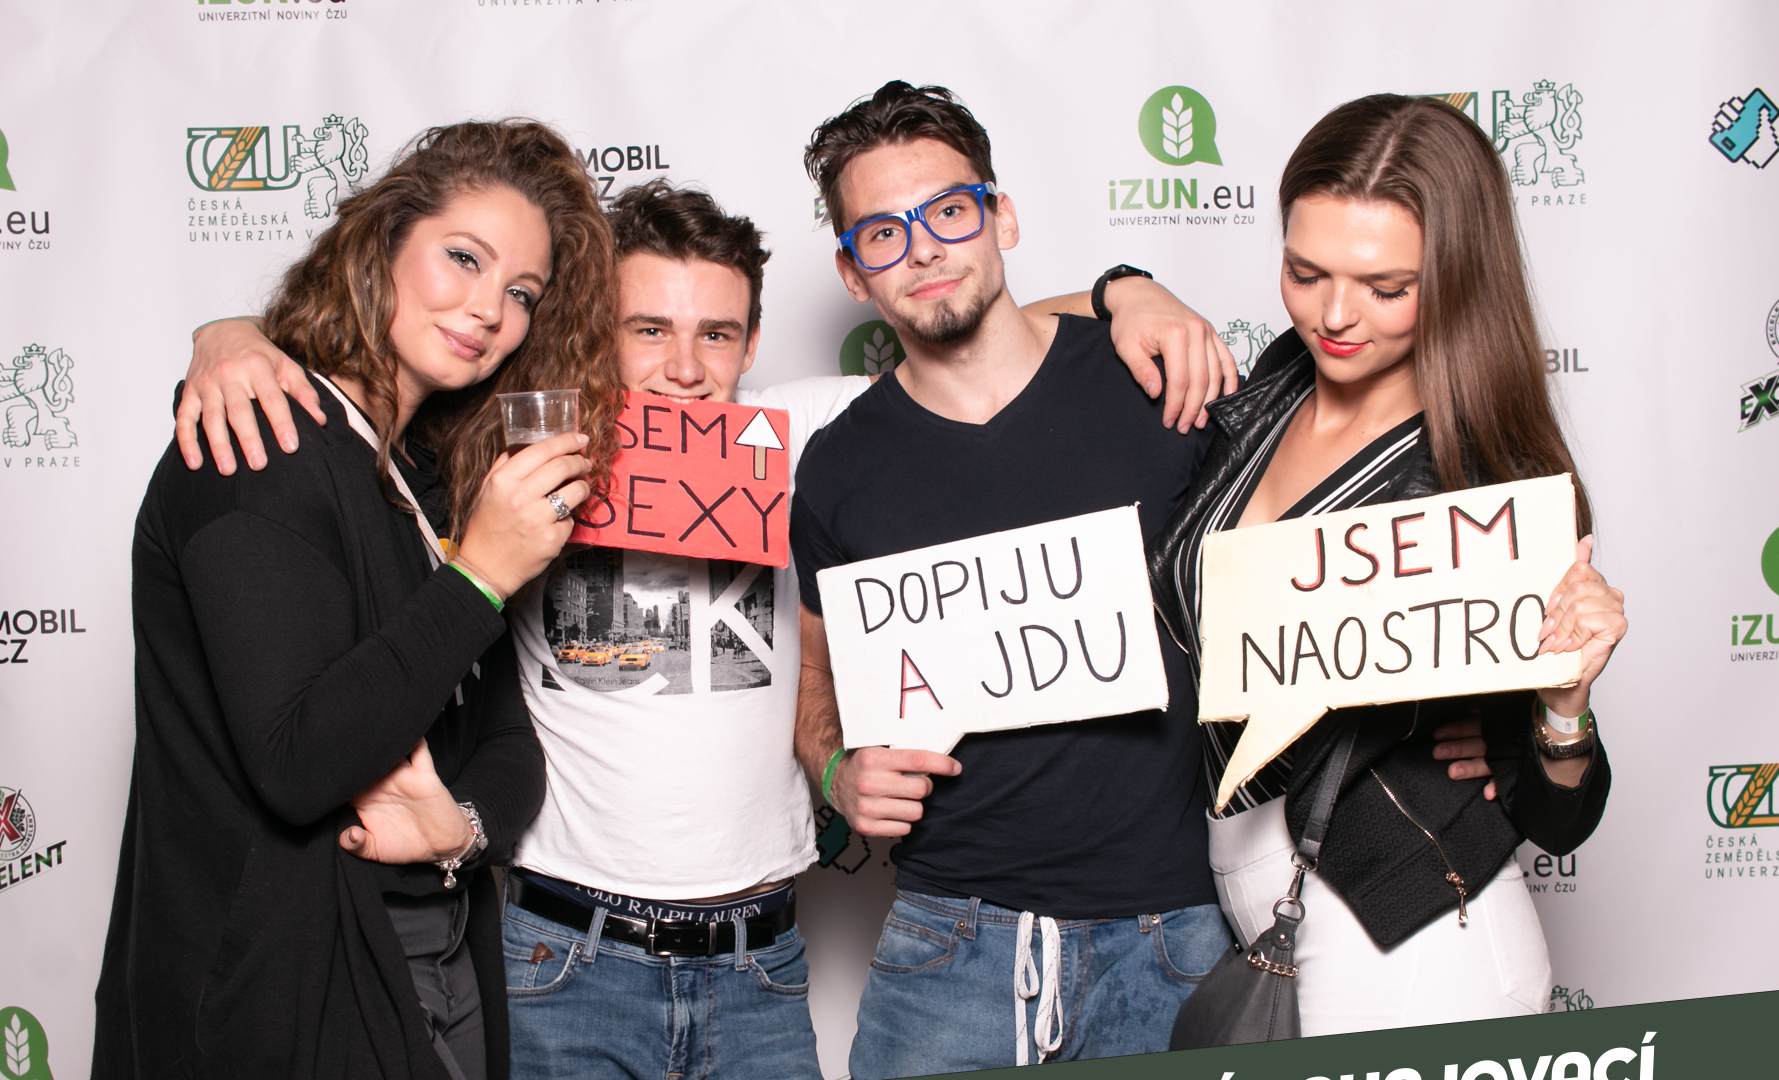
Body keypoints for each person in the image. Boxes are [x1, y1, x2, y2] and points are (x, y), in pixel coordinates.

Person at [169, 173, 1233, 1078]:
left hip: (760, 968)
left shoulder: (810, 432)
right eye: (649, 330)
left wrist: (1124, 291)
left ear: (752, 340)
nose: (685, 367)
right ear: (593, 330)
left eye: (716, 334)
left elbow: (974, 334)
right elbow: (376, 374)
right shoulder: (519, 449)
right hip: (562, 961)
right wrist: (230, 339)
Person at [92, 120, 614, 1080]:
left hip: (435, 958)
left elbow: (505, 742)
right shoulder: (260, 443)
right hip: (283, 991)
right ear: (382, 241)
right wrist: (480, 576)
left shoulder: (428, 479)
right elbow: (298, 761)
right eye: (464, 258)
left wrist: (461, 827)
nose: (488, 310)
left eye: (522, 293)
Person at [788, 81, 1241, 1077]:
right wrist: (834, 770)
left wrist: (1127, 288)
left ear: (1001, 217)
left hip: (1174, 931)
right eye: (883, 234)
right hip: (951, 941)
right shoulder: (838, 467)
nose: (923, 250)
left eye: (949, 212)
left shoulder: (1150, 379)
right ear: (853, 273)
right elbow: (812, 677)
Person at [1150, 94, 1625, 1035]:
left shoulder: (1484, 485)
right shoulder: (1281, 380)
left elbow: (1557, 817)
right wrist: (1128, 290)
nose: (1335, 315)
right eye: (1305, 272)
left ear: (1454, 277)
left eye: (1385, 287)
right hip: (1255, 905)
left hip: (1413, 938)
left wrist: (1560, 708)